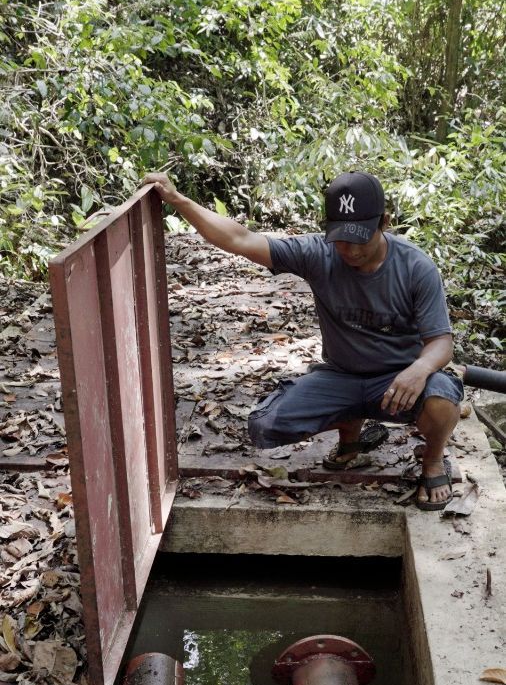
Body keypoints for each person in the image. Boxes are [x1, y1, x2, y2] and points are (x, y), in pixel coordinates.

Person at [142, 170, 463, 511]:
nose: (349, 250)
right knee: (265, 425)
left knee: (442, 399)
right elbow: (240, 239)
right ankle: (351, 440)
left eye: (359, 239)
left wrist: (421, 368)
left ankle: (432, 460)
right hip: (342, 376)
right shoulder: (317, 253)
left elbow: (441, 342)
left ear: (383, 222)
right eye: (340, 238)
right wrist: (178, 200)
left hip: (398, 382)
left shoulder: (416, 267)